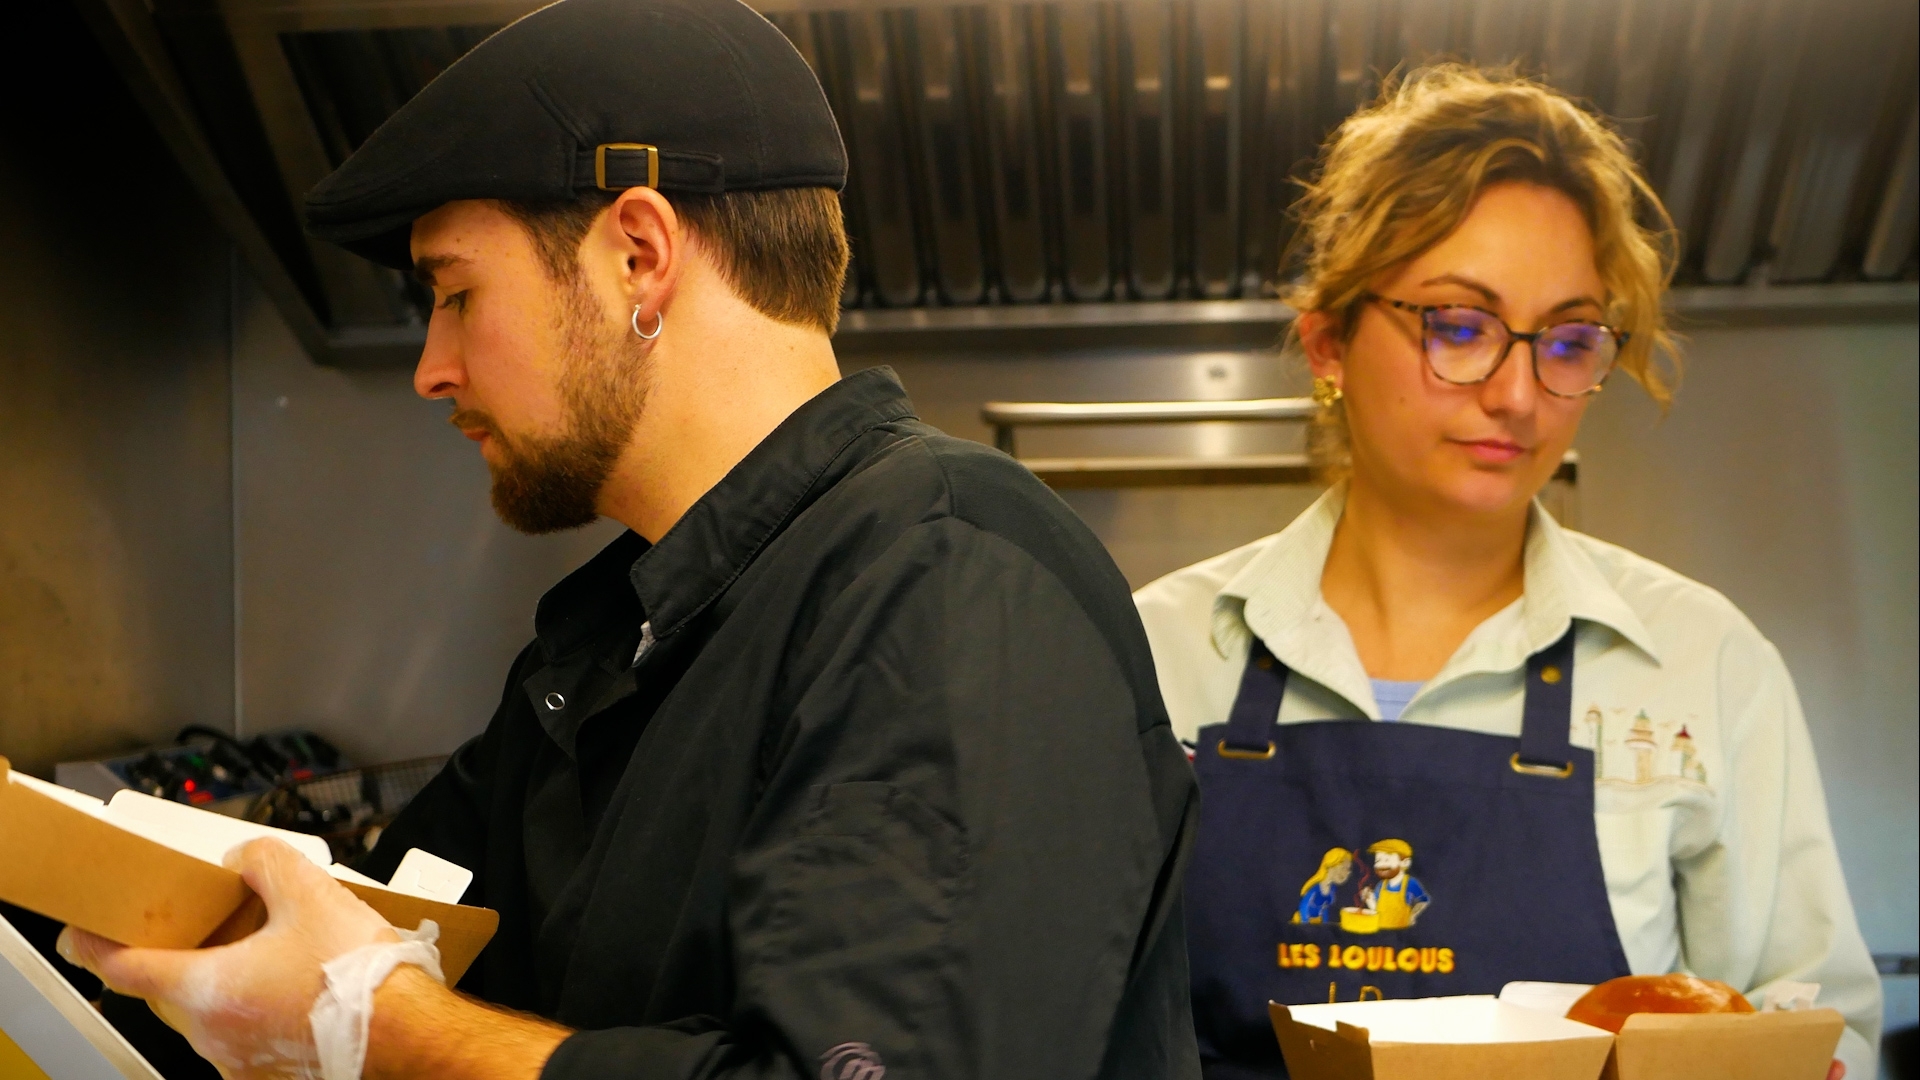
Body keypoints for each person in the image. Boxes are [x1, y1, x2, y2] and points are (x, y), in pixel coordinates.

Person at [56, 2, 1200, 1078]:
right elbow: (340, 929)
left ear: (639, 254)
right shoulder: (611, 646)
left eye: (456, 294)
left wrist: (377, 1022)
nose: (433, 370)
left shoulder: (947, 576)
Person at [1134, 66, 1879, 1080]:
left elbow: (1816, 1028)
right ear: (1329, 343)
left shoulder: (1702, 665)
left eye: (1568, 341)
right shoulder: (1156, 655)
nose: (1520, 395)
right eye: (1459, 325)